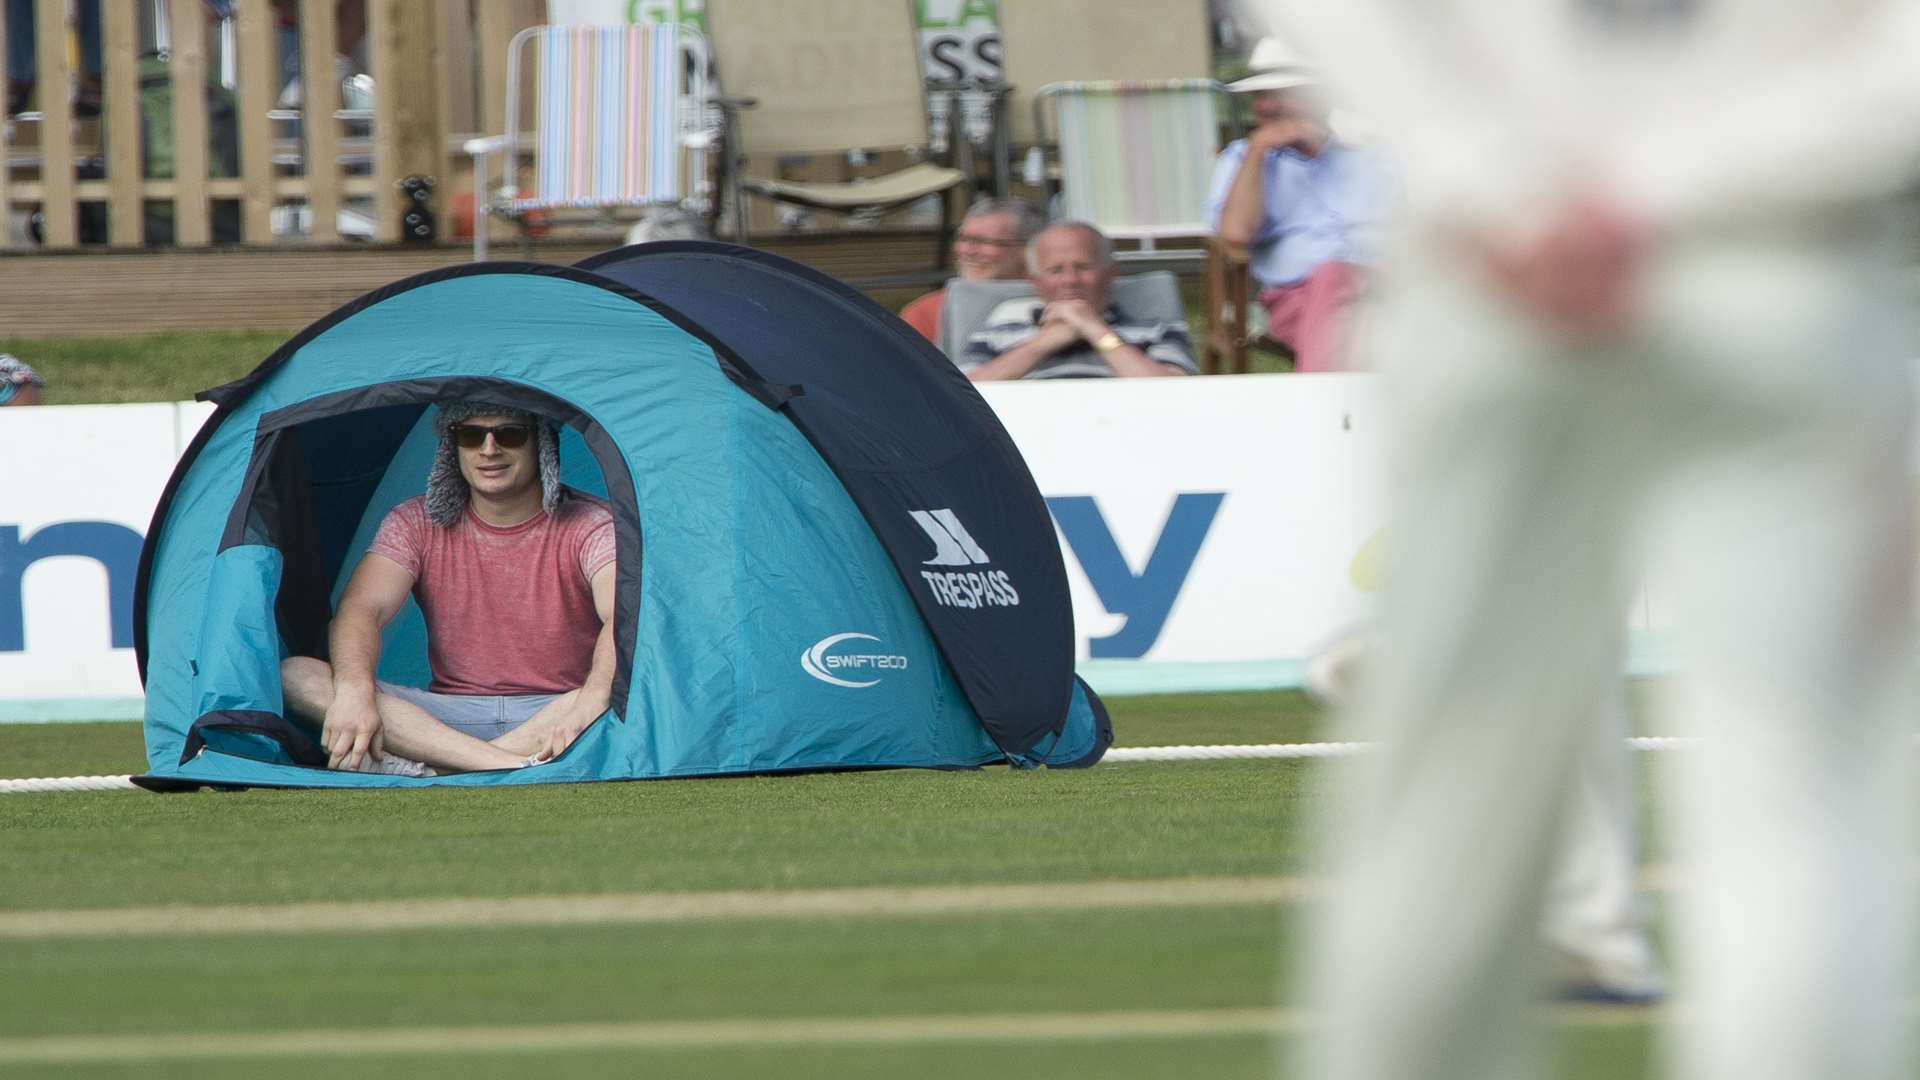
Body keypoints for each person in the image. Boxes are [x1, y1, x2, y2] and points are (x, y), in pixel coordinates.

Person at [1264, 2, 1920, 1079]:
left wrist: (1496, 181)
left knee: (1446, 793)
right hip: (1768, 262)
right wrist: (1656, 193)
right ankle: (1604, 937)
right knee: (1796, 794)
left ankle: (1580, 941)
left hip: (1500, 267)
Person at [280, 401, 617, 776]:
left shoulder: (591, 524)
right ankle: (503, 765)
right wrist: (355, 694)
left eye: (509, 434)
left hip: (556, 714)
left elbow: (621, 619)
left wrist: (592, 700)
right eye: (471, 436)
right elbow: (361, 610)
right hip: (445, 718)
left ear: (541, 444)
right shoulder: (415, 522)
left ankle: (437, 770)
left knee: (624, 686)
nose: (489, 450)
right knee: (296, 676)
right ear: (452, 447)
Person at [1203, 37, 1390, 373]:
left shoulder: (1370, 156)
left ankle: (1322, 404)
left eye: (1284, 94)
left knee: (1364, 322)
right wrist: (1259, 149)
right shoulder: (1242, 161)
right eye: (1260, 96)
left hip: (1384, 292)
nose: (1269, 106)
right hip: (1296, 301)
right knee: (1338, 284)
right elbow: (1234, 236)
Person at [957, 221, 1198, 380]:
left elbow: (1174, 392)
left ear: (1112, 273)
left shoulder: (1157, 330)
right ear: (1035, 281)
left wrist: (1095, 330)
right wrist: (1044, 343)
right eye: (1056, 270)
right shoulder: (997, 332)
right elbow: (963, 394)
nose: (1071, 280)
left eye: (1083, 267)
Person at [897, 198, 1042, 344]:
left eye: (982, 241)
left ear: (1028, 248)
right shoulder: (928, 312)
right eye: (962, 239)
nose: (967, 250)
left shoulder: (1053, 302)